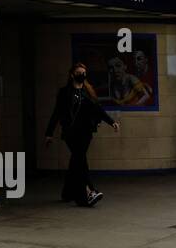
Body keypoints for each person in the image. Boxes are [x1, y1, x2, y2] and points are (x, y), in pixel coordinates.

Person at [44, 63, 120, 206]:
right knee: (80, 160)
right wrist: (49, 133)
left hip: (85, 132)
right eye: (79, 72)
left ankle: (70, 193)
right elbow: (56, 113)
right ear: (72, 74)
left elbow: (98, 110)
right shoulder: (64, 92)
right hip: (70, 133)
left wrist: (111, 122)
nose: (82, 75)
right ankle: (88, 191)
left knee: (77, 160)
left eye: (84, 72)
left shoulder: (88, 92)